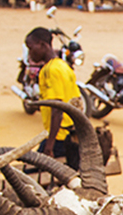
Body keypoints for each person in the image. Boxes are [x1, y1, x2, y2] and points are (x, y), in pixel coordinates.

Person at [25, 27, 82, 170]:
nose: (30, 53)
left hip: (59, 137)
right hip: (71, 135)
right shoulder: (63, 65)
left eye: (31, 48)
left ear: (42, 45)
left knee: (31, 174)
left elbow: (57, 108)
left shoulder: (50, 71)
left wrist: (49, 146)